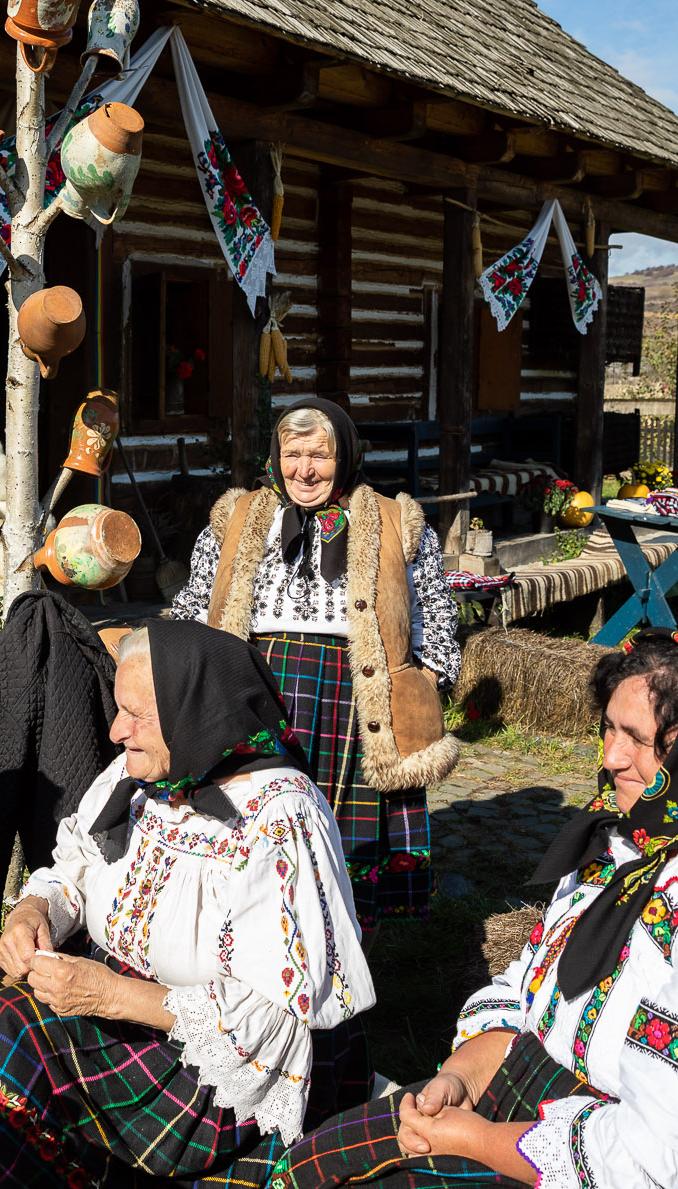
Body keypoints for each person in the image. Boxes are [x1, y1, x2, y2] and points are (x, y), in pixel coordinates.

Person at [274, 629, 678, 1189]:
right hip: (538, 1096)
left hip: (620, 1160)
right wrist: (462, 1074)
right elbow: (534, 986)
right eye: (610, 729)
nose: (612, 758)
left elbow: (674, 1158)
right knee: (306, 1166)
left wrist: (477, 1140)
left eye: (640, 740)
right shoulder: (631, 841)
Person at [0, 621, 374, 1188]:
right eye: (119, 708)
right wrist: (34, 911)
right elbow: (77, 869)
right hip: (119, 1001)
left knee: (17, 1030)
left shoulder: (278, 818)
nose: (116, 731)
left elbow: (282, 1017)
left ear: (198, 713)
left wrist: (113, 996)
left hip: (213, 1067)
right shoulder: (143, 776)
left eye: (138, 716)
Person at [168, 396, 463, 930]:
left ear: (346, 456)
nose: (304, 470)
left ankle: (351, 984)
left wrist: (423, 682)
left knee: (346, 851)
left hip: (355, 702)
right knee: (256, 837)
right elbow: (193, 607)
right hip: (257, 698)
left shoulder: (397, 522)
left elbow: (436, 618)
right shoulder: (235, 517)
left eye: (320, 455)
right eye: (292, 453)